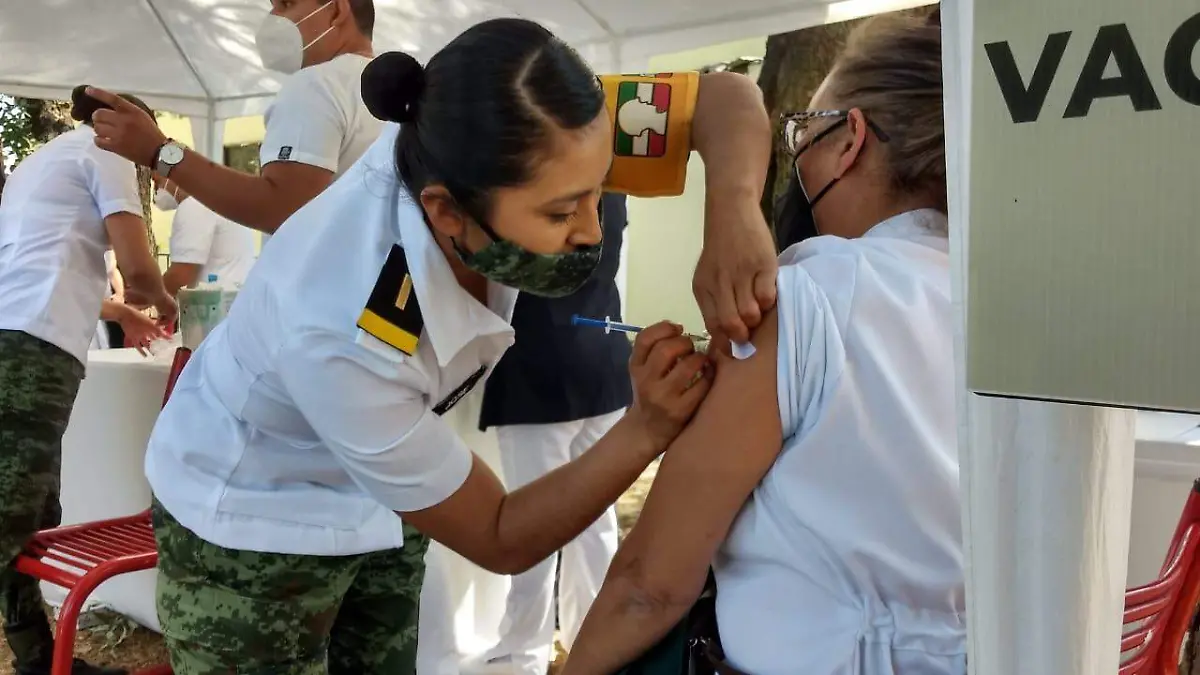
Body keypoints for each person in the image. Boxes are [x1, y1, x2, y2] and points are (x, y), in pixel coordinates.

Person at [90, 16, 779, 674]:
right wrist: (646, 427)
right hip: (253, 516)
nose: (592, 232)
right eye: (561, 211)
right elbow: (500, 533)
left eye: (598, 192)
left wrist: (735, 214)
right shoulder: (339, 324)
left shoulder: (535, 128)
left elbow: (725, 98)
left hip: (382, 494)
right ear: (446, 210)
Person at [564, 14, 964, 675]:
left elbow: (649, 585)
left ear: (850, 139)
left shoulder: (805, 298)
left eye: (804, 131)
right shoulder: (1013, 302)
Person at [0, 86, 176, 675]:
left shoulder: (43, 160)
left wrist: (123, 312)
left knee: (23, 517)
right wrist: (165, 304)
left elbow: (37, 268)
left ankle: (39, 660)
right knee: (10, 517)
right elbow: (140, 268)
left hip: (13, 338)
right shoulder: (110, 153)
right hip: (32, 354)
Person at [465, 192, 634, 675]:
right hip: (602, 360)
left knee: (533, 524)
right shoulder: (613, 184)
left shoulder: (542, 181)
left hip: (540, 366)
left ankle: (522, 654)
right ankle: (592, 643)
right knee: (595, 522)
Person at [87, 0, 383, 241]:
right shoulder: (383, 89)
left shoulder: (317, 85)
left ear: (336, 10)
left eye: (286, 4)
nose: (273, 17)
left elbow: (280, 208)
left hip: (325, 293)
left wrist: (160, 152)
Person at [152, 177, 257, 294]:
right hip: (237, 294)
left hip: (216, 300)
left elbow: (181, 274)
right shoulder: (219, 200)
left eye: (157, 182)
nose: (155, 190)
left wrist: (147, 297)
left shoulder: (194, 205)